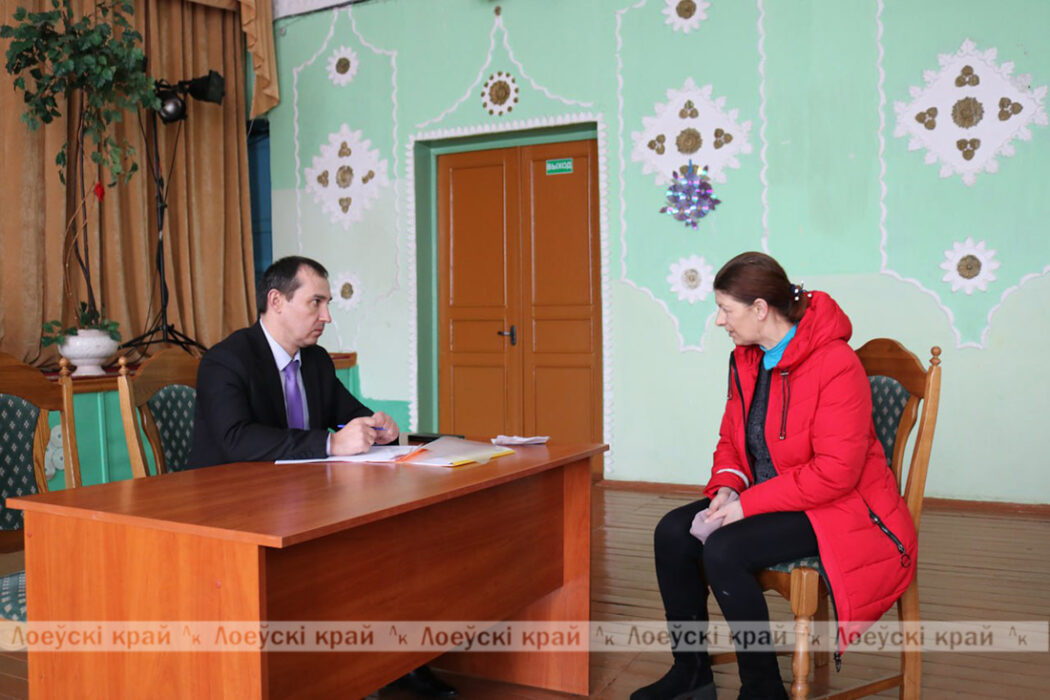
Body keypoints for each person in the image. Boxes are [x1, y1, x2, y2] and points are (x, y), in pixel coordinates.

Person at [632, 252, 917, 700]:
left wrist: (746, 506)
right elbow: (732, 439)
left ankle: (763, 690)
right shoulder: (745, 360)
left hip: (840, 507)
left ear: (760, 308)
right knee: (672, 532)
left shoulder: (836, 363)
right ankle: (691, 674)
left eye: (726, 309)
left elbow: (836, 474)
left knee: (725, 549)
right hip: (776, 494)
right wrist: (728, 487)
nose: (719, 321)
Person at [187, 256, 456, 698]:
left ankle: (395, 663)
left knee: (394, 535)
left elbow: (348, 413)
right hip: (232, 511)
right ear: (276, 301)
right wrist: (331, 443)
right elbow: (237, 439)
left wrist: (378, 427)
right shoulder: (227, 360)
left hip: (302, 500)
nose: (327, 316)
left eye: (328, 304)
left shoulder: (314, 361)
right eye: (316, 303)